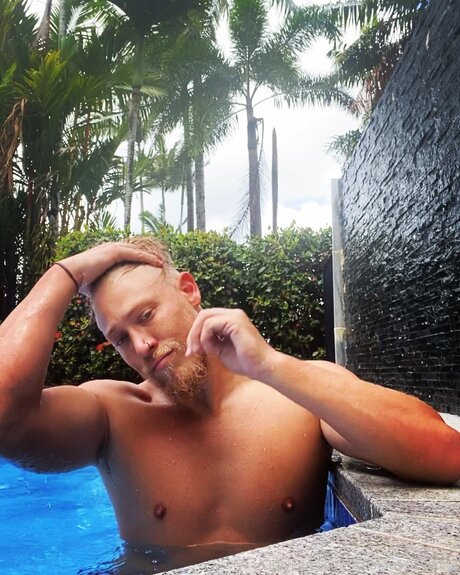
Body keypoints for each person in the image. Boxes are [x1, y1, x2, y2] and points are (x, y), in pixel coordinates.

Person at [0, 237, 459, 573]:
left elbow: (444, 453)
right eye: (119, 338)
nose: (140, 345)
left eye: (146, 315)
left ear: (189, 291)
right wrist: (67, 273)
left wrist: (272, 366)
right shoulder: (111, 414)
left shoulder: (297, 394)